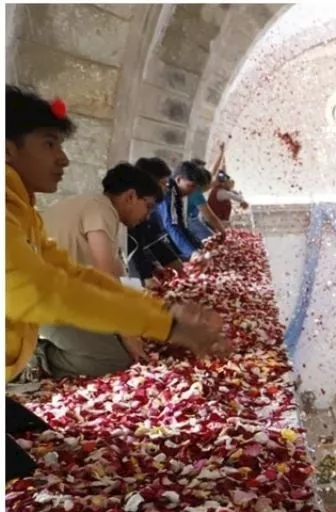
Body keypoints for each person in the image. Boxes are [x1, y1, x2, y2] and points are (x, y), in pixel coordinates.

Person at [5, 86, 224, 478]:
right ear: (8, 149)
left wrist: (159, 316)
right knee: (22, 476)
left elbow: (73, 274)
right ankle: (33, 365)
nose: (64, 159)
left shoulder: (24, 210)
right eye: (50, 143)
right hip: (38, 321)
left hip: (34, 323)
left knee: (37, 445)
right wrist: (161, 324)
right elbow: (46, 290)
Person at [18, 162, 169, 380]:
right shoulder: (101, 209)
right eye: (149, 206)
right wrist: (127, 332)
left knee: (116, 338)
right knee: (115, 360)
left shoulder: (93, 207)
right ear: (130, 197)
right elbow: (106, 275)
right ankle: (38, 356)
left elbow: (117, 275)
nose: (148, 216)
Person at [126, 157, 184, 283]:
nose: (165, 188)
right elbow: (133, 253)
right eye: (163, 183)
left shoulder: (152, 209)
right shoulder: (128, 214)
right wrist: (147, 276)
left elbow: (156, 244)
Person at [155, 159, 209, 260]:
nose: (192, 191)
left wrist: (197, 246)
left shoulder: (176, 195)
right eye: (191, 186)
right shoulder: (169, 192)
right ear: (179, 179)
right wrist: (192, 252)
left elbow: (180, 224)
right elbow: (171, 225)